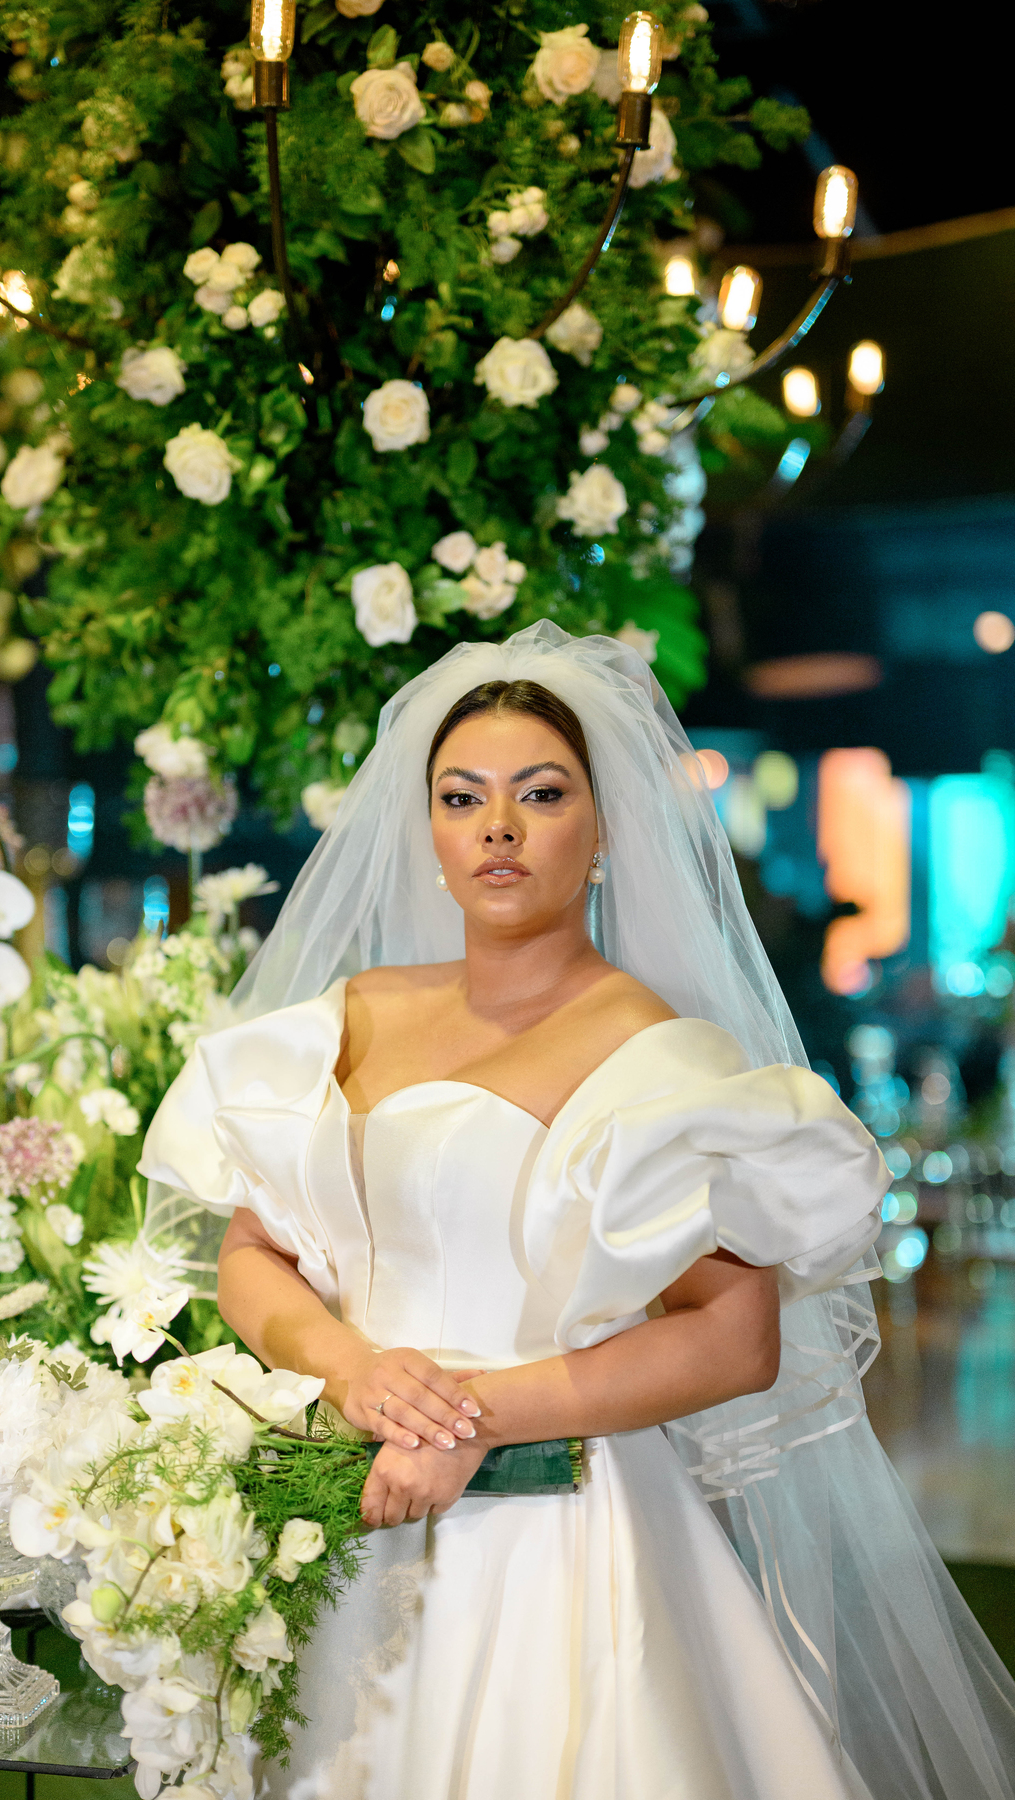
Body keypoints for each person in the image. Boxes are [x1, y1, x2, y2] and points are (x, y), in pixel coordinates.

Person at [141, 623, 1015, 1800]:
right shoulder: (348, 1016)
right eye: (463, 797)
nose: (497, 826)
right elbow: (252, 1252)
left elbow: (735, 1339)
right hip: (348, 1517)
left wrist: (471, 1423)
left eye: (542, 794)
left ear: (605, 831)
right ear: (429, 831)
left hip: (557, 1532)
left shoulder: (657, 1053)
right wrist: (350, 1371)